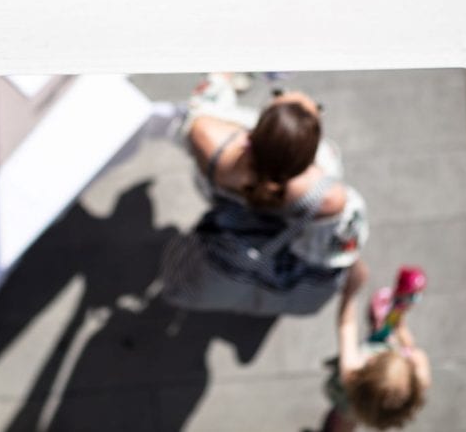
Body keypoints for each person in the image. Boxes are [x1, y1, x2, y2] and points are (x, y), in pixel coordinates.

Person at [159, 77, 368, 315]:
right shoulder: (327, 196)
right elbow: (330, 251)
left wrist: (224, 77)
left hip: (226, 239)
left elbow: (200, 107)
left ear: (253, 134)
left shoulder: (207, 139)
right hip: (285, 253)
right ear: (307, 160)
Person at [322, 261, 431, 431]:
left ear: (370, 362)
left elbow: (347, 325)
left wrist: (351, 290)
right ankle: (395, 324)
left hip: (348, 400)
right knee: (348, 419)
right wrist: (410, 350)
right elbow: (419, 358)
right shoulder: (419, 383)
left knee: (344, 417)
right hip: (359, 408)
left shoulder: (351, 374)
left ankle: (391, 326)